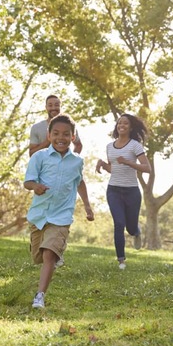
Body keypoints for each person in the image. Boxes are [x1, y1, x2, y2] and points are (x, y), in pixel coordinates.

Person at [24, 114, 94, 308]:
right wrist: (35, 186)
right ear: (49, 134)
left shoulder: (77, 162)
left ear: (73, 137)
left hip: (61, 216)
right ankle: (55, 252)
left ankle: (39, 296)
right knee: (38, 256)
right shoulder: (39, 156)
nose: (60, 138)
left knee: (48, 255)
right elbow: (27, 181)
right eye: (56, 133)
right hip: (39, 215)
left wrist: (87, 206)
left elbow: (79, 182)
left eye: (65, 134)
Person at [95, 113, 151, 270]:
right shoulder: (109, 147)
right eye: (119, 123)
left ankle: (136, 231)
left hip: (132, 191)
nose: (122, 126)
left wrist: (128, 162)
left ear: (131, 127)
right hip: (113, 190)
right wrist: (102, 164)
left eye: (125, 123)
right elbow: (113, 169)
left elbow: (147, 169)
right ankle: (121, 260)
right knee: (119, 223)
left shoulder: (135, 146)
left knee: (131, 228)